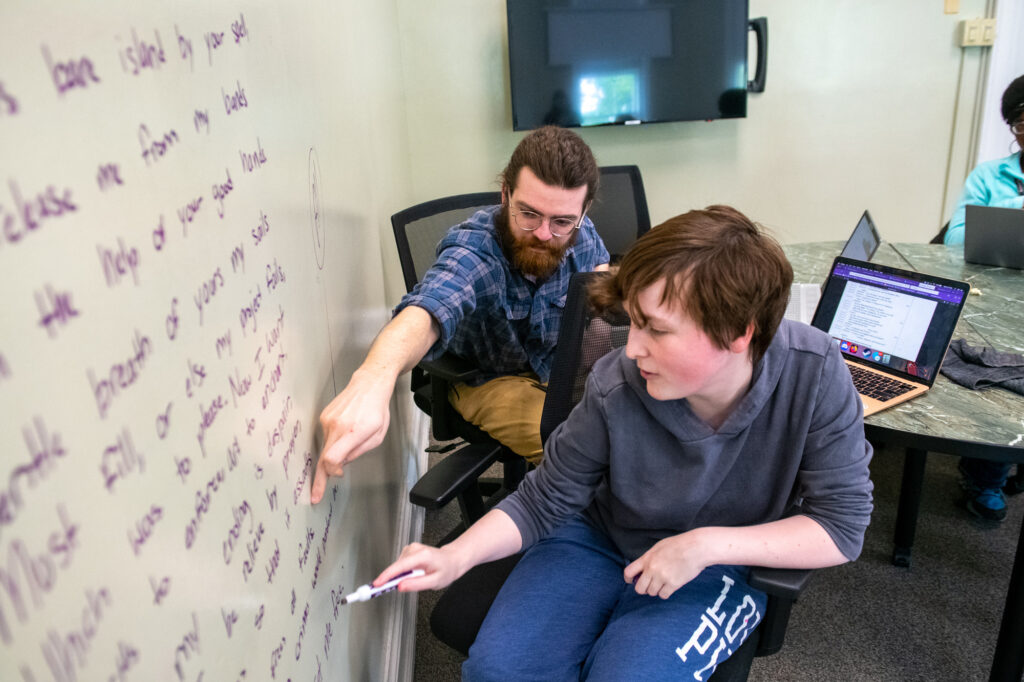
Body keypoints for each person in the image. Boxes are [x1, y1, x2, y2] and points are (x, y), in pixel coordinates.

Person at [374, 206, 874, 679]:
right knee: (498, 671)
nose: (632, 348)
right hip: (598, 536)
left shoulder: (815, 374)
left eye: (656, 329)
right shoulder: (617, 382)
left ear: (737, 334)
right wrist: (455, 556)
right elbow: (545, 499)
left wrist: (706, 546)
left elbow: (840, 527)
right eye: (633, 321)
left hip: (717, 563)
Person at [311, 126, 609, 504]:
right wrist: (372, 381)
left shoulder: (582, 233)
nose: (544, 234)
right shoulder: (476, 252)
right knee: (583, 453)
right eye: (529, 214)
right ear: (505, 195)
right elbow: (429, 308)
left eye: (562, 222)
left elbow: (598, 280)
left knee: (634, 430)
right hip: (487, 379)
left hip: (558, 366)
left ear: (581, 214)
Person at [945, 74, 1024, 521]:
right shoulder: (991, 177)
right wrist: (1015, 209)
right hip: (994, 290)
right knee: (987, 364)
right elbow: (955, 238)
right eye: (1022, 122)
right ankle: (987, 475)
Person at [943, 74, 1024, 246]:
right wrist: (1016, 208)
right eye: (1022, 126)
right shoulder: (988, 175)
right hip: (991, 270)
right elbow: (954, 241)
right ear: (1013, 130)